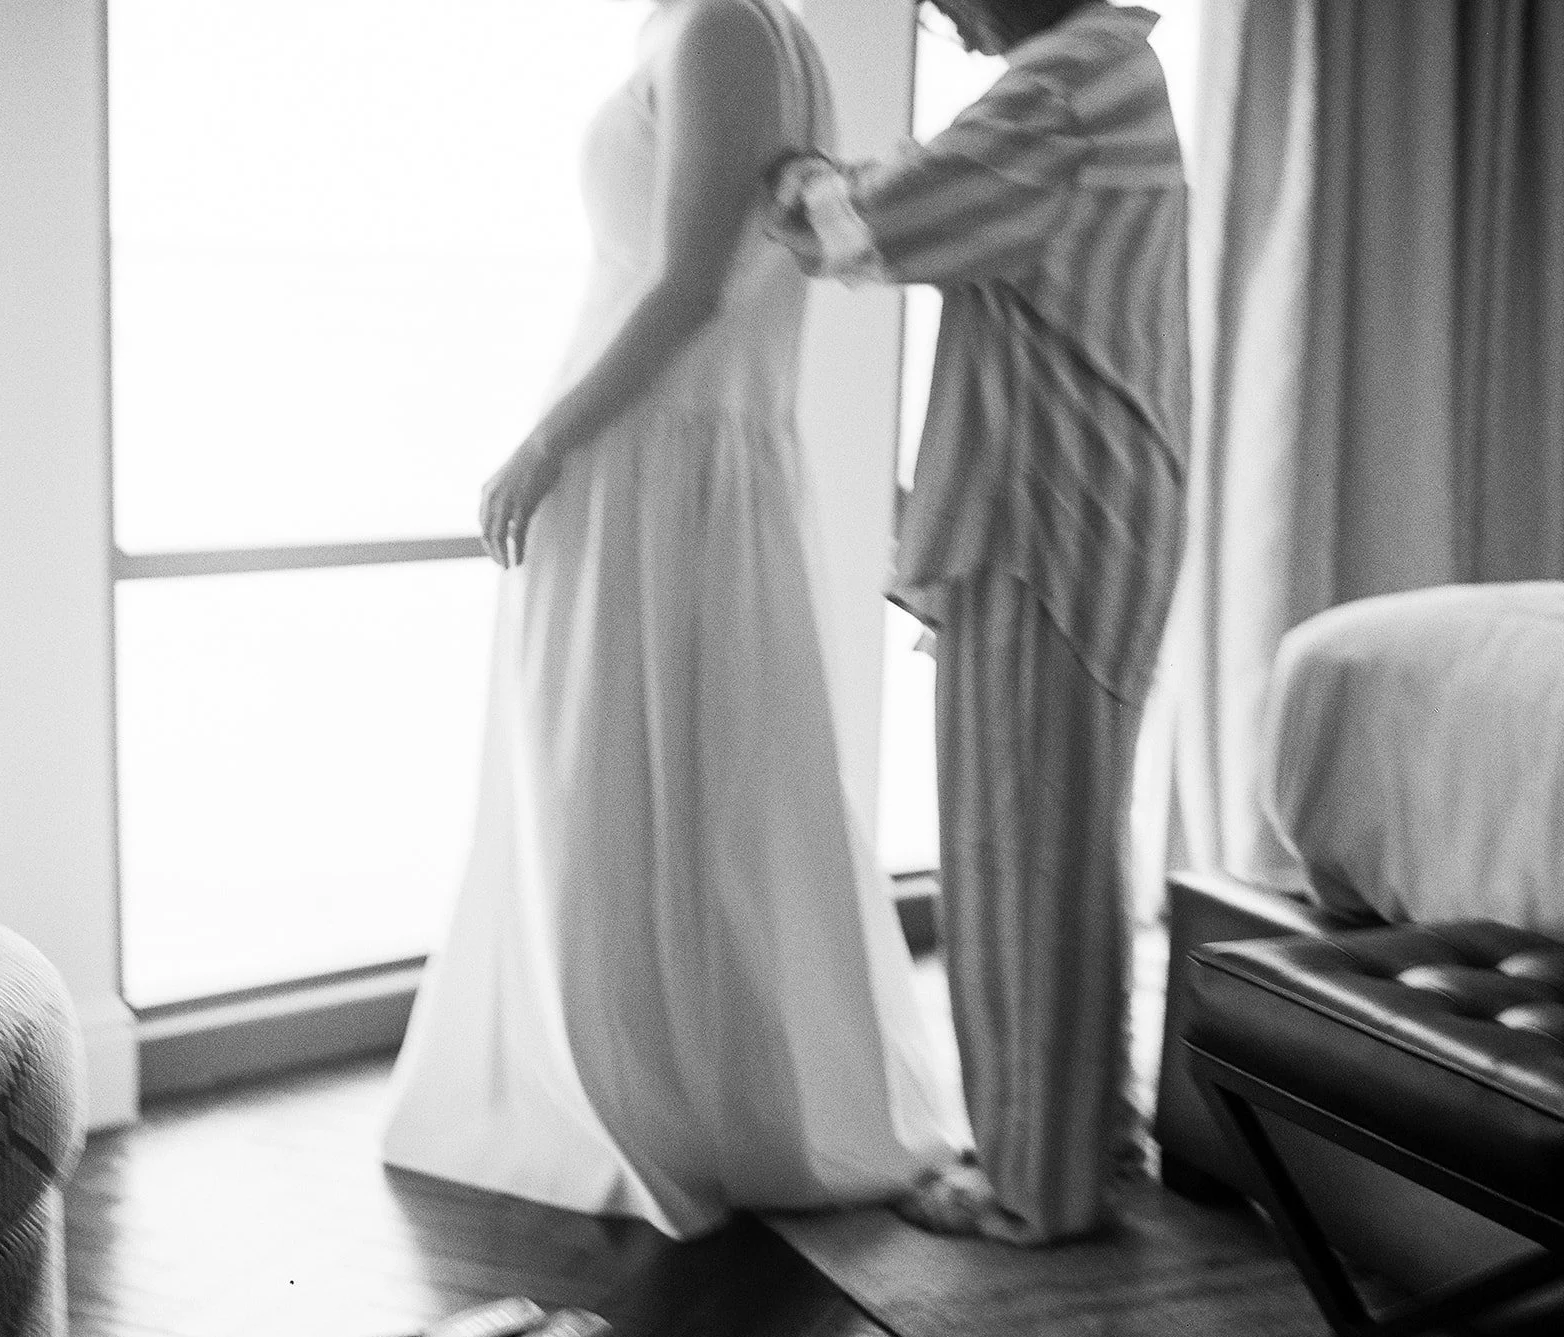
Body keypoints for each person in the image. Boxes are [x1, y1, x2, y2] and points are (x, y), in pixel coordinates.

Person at [381, 0, 972, 1239]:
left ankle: (668, 1099)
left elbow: (690, 283)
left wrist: (543, 442)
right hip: (670, 453)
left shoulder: (720, 26)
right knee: (638, 773)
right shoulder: (726, 25)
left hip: (651, 458)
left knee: (644, 772)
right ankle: (687, 1084)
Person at [769, 0, 1189, 1244]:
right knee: (1062, 846)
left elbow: (878, 221)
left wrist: (791, 172)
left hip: (1044, 510)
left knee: (1015, 854)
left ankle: (1032, 1186)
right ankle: (1082, 1141)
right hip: (1096, 499)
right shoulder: (1110, 68)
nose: (939, 11)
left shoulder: (1059, 85)